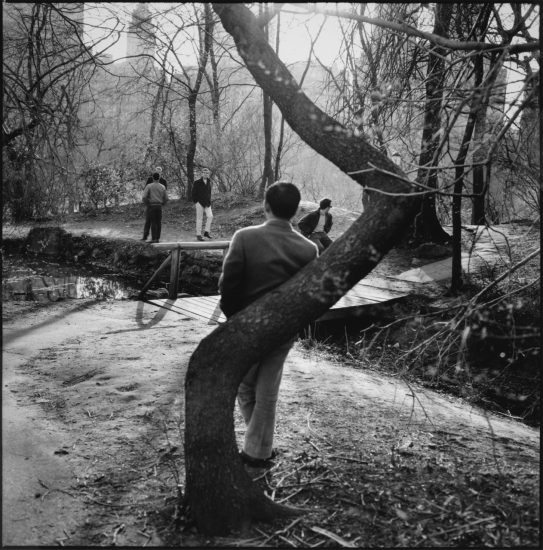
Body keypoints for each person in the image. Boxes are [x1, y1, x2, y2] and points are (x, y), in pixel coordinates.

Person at [219, 181, 318, 468]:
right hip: (283, 330)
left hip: (246, 325)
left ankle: (257, 451)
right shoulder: (308, 248)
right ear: (296, 211)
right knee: (267, 391)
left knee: (245, 386)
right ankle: (259, 446)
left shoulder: (245, 237)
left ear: (266, 206)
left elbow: (229, 286)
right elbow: (307, 295)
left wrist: (234, 320)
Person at [142, 167, 167, 242]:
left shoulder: (150, 185)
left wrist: (148, 204)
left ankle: (154, 238)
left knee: (152, 222)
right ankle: (155, 238)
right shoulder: (162, 186)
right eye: (157, 171)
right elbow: (166, 197)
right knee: (156, 222)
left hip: (151, 205)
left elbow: (144, 196)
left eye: (159, 171)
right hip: (158, 206)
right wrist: (162, 203)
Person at [192, 167, 213, 241]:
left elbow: (209, 193)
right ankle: (198, 235)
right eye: (204, 173)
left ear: (208, 174)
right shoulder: (197, 182)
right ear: (202, 174)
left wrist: (209, 201)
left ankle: (206, 232)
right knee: (199, 219)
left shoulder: (210, 181)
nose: (205, 174)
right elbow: (193, 193)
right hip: (199, 202)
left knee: (210, 216)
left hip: (207, 202)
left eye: (207, 173)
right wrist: (196, 202)